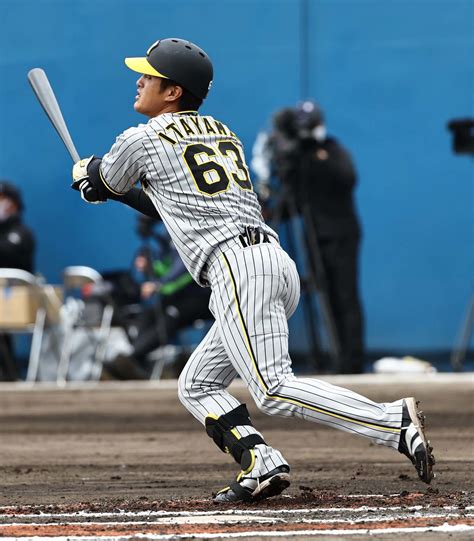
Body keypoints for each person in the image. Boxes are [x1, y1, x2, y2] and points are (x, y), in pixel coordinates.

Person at [70, 38, 435, 503]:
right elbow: (165, 204)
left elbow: (105, 183)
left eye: (149, 75)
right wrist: (100, 180)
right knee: (197, 383)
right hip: (270, 264)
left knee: (273, 389)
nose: (139, 80)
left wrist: (89, 175)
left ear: (173, 92)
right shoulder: (222, 132)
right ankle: (260, 461)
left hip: (238, 268)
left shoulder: (140, 138)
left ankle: (392, 422)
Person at [252, 102, 365, 373]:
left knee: (344, 295)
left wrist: (314, 155)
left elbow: (347, 178)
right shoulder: (298, 158)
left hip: (340, 234)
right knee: (323, 291)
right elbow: (292, 201)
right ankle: (334, 356)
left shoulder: (333, 151)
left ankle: (351, 359)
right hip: (315, 235)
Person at [105, 220, 211, 379]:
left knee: (169, 317)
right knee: (147, 315)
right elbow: (167, 267)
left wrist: (159, 285)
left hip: (200, 298)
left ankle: (132, 357)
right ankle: (137, 362)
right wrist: (150, 267)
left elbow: (185, 271)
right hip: (176, 297)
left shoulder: (196, 231)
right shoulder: (168, 233)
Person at [0, 180, 36, 380]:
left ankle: (10, 374)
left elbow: (8, 253)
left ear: (12, 204)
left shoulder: (22, 233)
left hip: (16, 301)